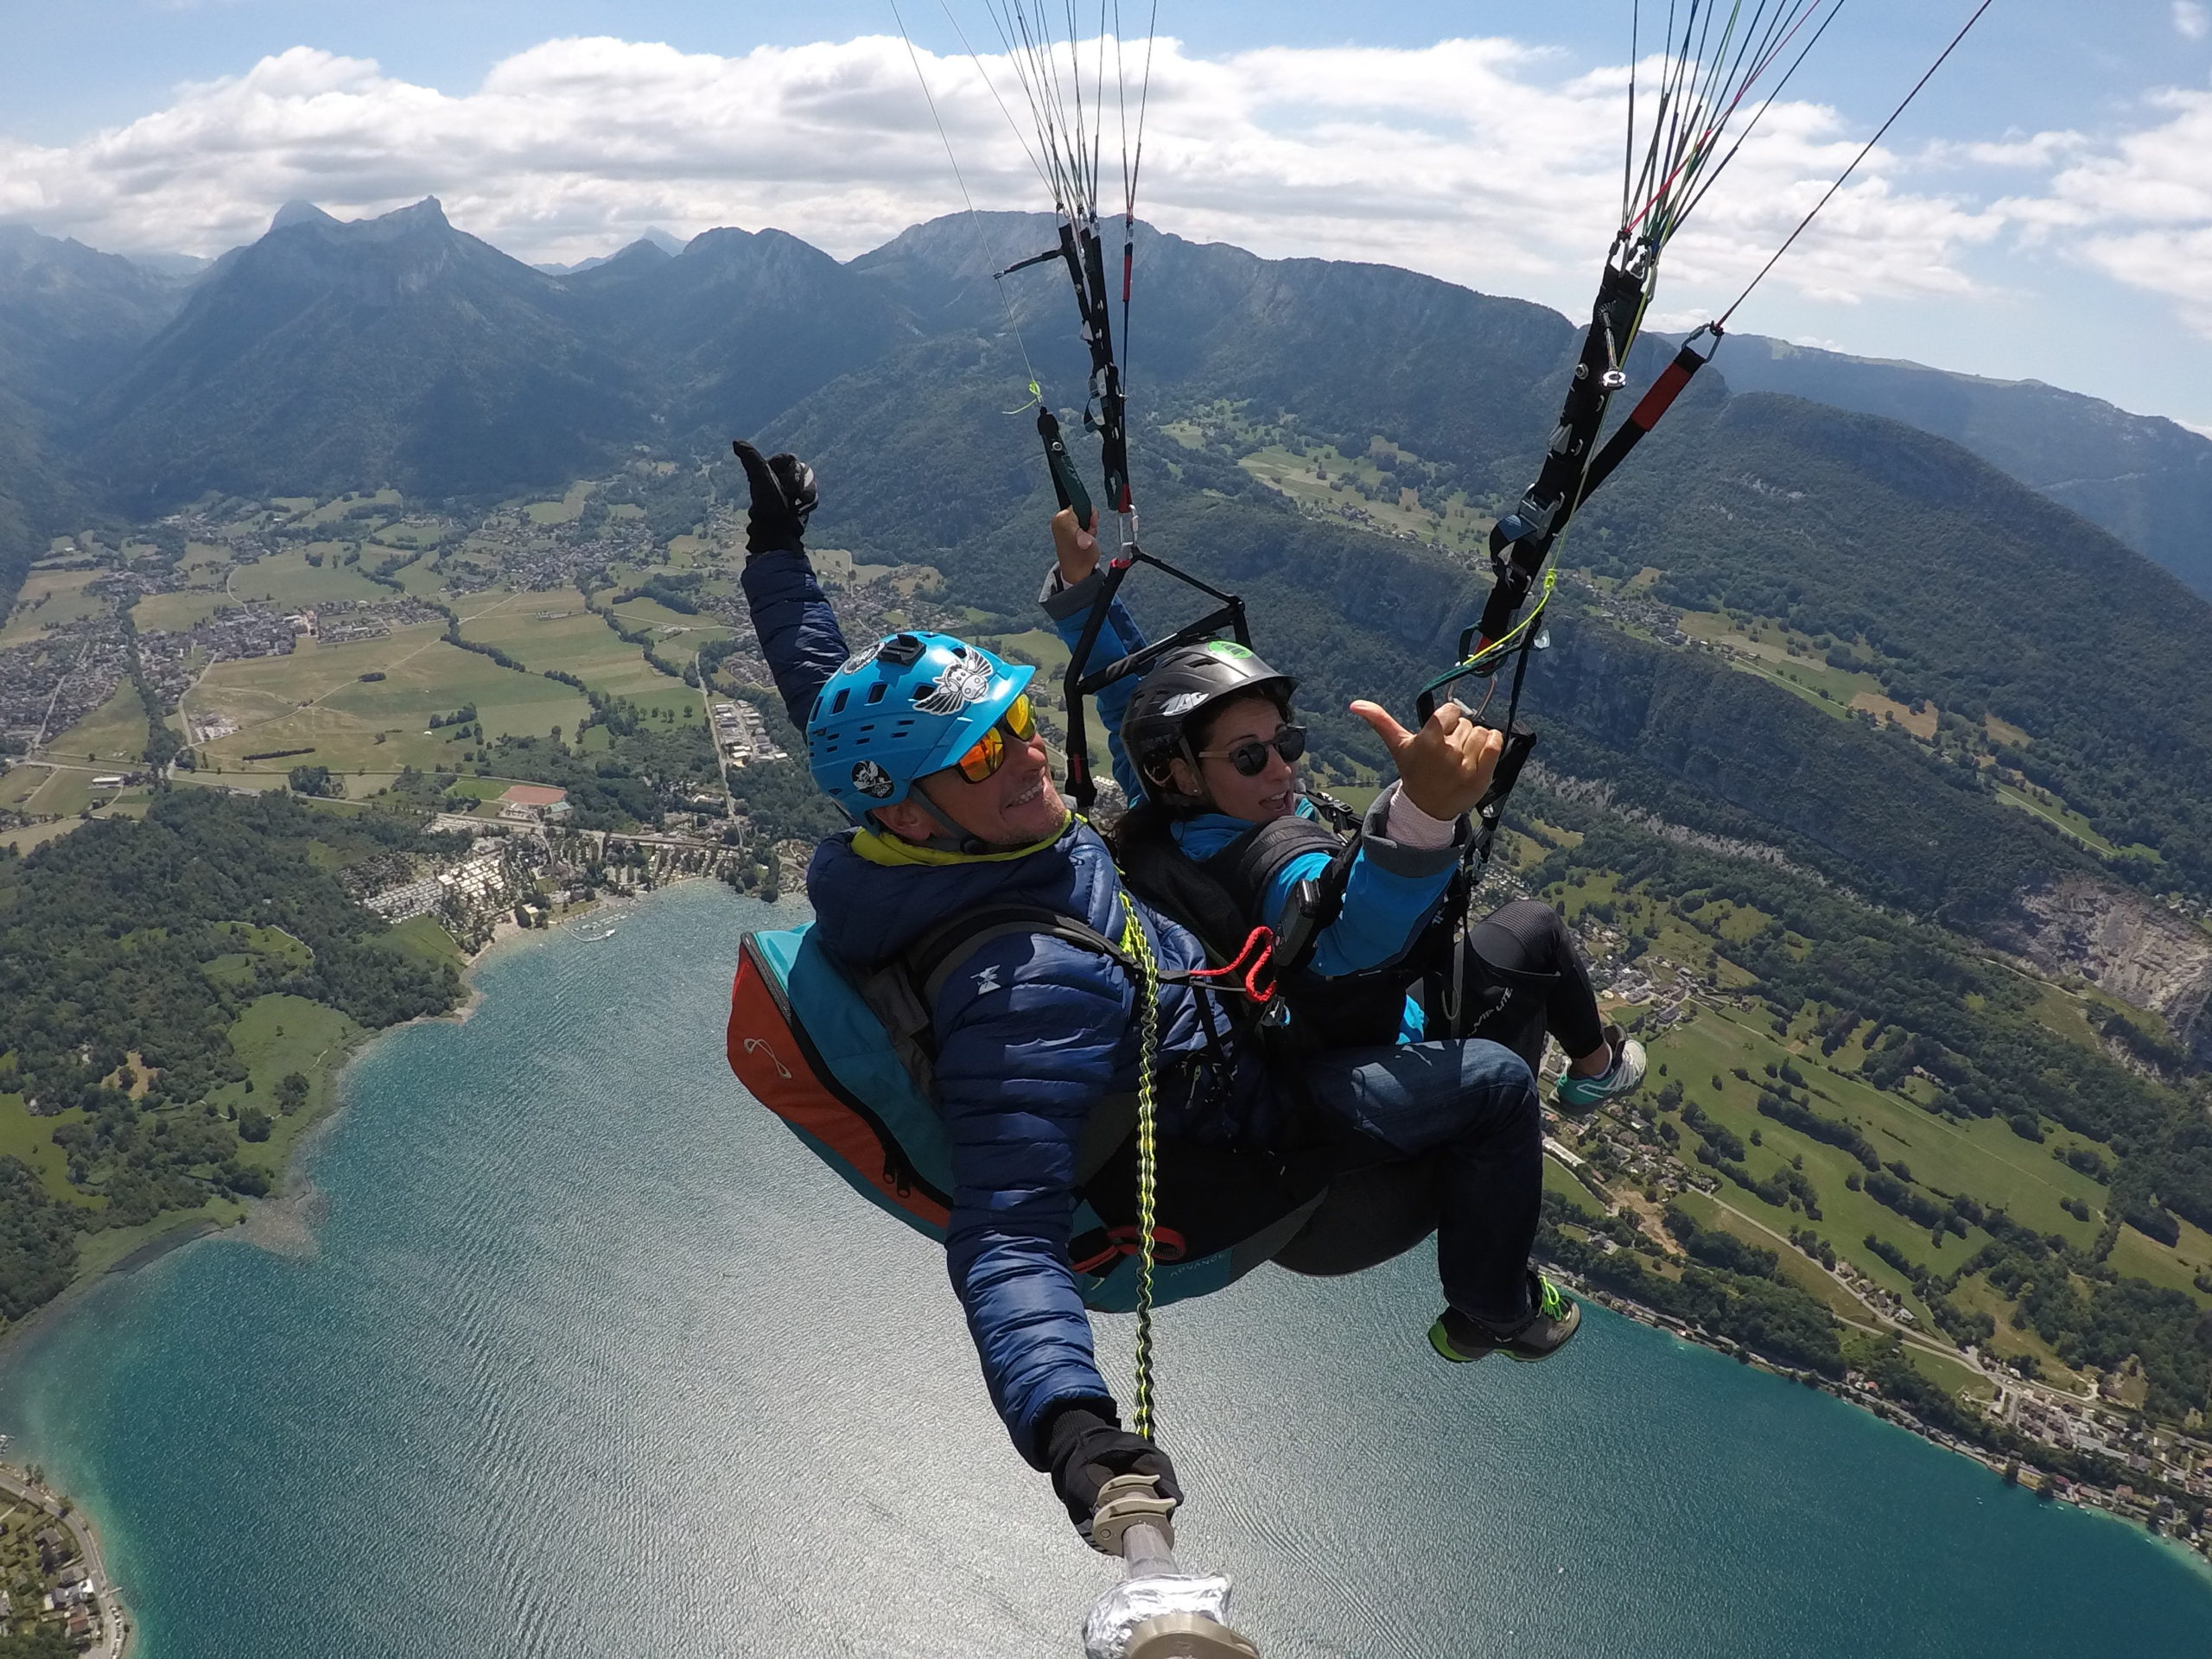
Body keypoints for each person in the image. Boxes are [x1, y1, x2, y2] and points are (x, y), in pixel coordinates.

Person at [731, 442, 1569, 1540]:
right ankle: (1496, 1308)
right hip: (1256, 1146)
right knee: (1501, 1080)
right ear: (908, 811)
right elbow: (1006, 1238)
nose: (1027, 760)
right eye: (985, 759)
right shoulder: (1023, 992)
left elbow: (828, 701)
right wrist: (1073, 1428)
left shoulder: (935, 835)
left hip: (1214, 1036)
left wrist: (776, 555)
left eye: (1017, 725)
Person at [1039, 508, 1647, 1130]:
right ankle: (1596, 1069)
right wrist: (1424, 814)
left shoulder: (1165, 810)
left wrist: (1082, 590)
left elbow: (1127, 703)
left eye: (1286, 741)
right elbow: (1355, 931)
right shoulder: (1273, 860)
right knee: (1534, 925)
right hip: (1384, 1036)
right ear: (1186, 773)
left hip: (1301, 1017)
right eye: (1250, 756)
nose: (1281, 769)